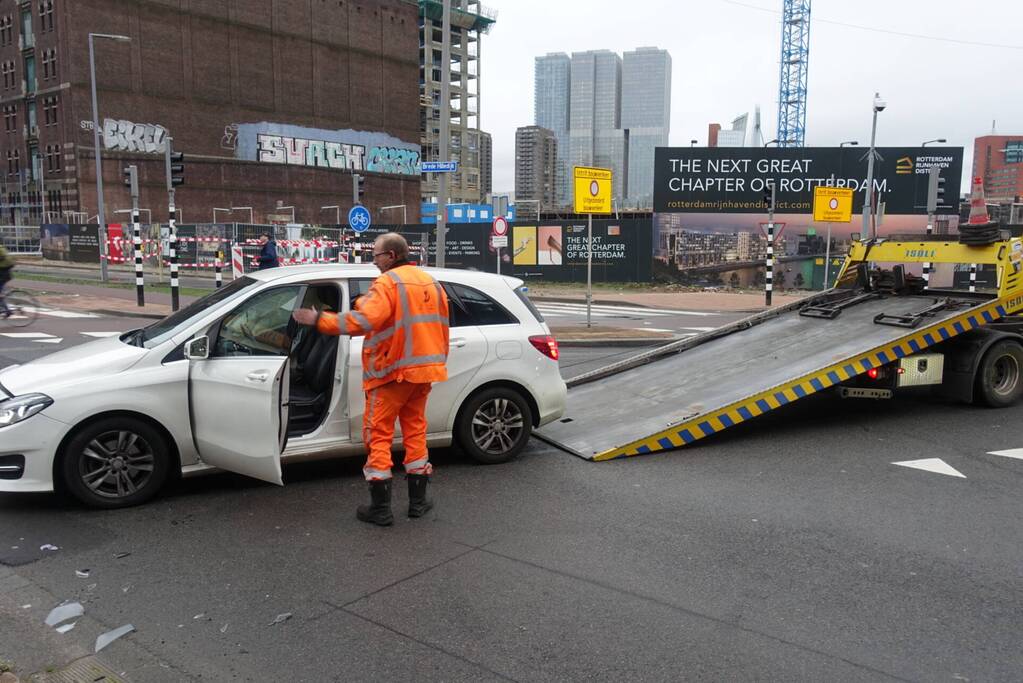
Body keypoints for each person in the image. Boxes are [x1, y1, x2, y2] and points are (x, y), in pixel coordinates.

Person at [293, 233, 449, 526]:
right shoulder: (431, 282)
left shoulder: (388, 284)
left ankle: (380, 508)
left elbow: (363, 322)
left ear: (391, 255)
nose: (374, 261)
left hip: (392, 372)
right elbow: (442, 326)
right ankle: (418, 502)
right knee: (415, 431)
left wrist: (319, 320)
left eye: (376, 255)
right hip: (423, 371)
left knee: (378, 434)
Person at [0, 243, 14, 318]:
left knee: (0, 294)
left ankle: (6, 310)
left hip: (3, 275)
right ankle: (7, 311)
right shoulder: (2, 247)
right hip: (6, 273)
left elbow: (2, 258)